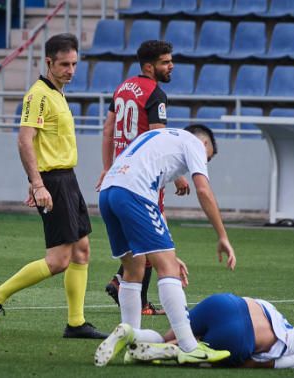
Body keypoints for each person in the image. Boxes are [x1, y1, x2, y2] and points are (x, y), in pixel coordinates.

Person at [0, 33, 107, 339]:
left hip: (67, 179)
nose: (71, 70)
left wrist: (36, 180)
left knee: (82, 250)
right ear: (48, 62)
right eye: (64, 64)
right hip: (54, 181)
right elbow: (25, 140)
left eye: (74, 64)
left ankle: (76, 323)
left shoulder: (57, 93)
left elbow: (43, 144)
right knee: (59, 260)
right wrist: (37, 183)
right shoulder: (38, 95)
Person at [94, 125, 237, 367]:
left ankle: (134, 344)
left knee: (133, 268)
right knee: (167, 268)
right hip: (133, 193)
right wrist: (222, 236)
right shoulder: (194, 143)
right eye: (207, 158)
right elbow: (203, 189)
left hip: (109, 192)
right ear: (204, 145)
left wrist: (168, 252)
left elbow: (153, 209)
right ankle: (190, 347)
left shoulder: (158, 139)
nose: (203, 162)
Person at [95, 40, 190, 316]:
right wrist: (177, 176)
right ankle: (137, 296)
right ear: (149, 66)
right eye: (165, 62)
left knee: (140, 234)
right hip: (144, 175)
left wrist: (106, 167)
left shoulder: (123, 87)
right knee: (152, 233)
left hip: (120, 172)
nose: (171, 66)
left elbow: (108, 129)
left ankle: (120, 280)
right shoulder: (155, 94)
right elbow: (158, 138)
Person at [118, 293, 294, 369]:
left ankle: (134, 335)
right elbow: (261, 363)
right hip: (239, 336)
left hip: (224, 302)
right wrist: (218, 363)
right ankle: (178, 350)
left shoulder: (279, 316)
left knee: (172, 336)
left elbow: (251, 301)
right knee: (199, 351)